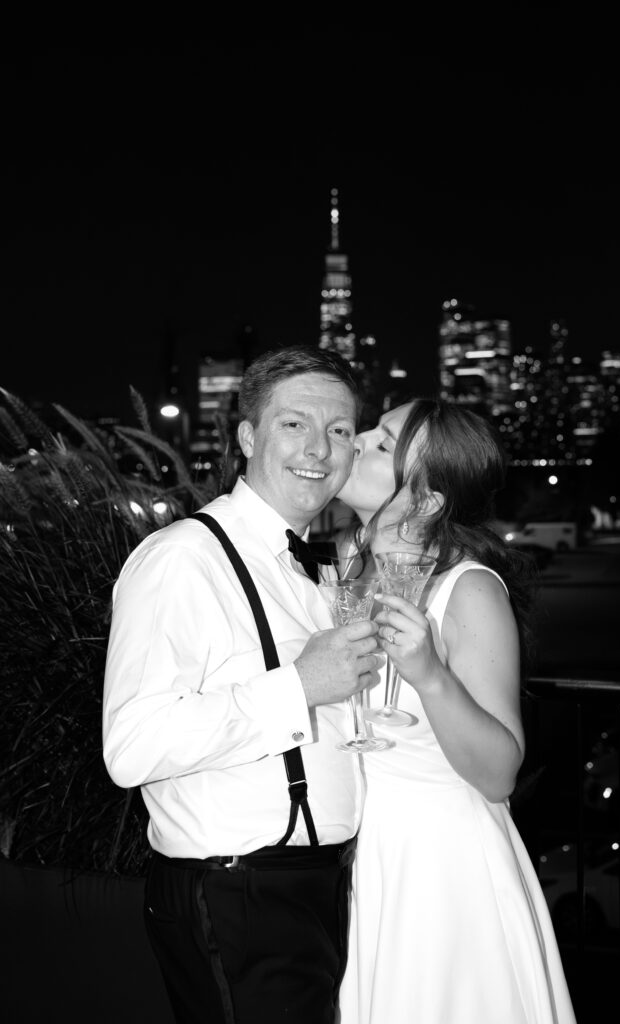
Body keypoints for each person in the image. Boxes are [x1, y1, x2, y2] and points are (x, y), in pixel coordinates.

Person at [102, 346, 383, 1024]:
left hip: (319, 890)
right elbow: (131, 746)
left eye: (340, 430)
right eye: (294, 424)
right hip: (238, 898)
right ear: (247, 437)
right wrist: (297, 687)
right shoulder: (182, 560)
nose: (319, 448)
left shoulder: (312, 573)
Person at [336, 398, 577, 1024]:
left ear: (427, 501)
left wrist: (431, 676)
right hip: (358, 858)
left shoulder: (467, 589)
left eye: (384, 444)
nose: (356, 439)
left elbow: (500, 773)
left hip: (440, 873)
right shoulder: (344, 569)